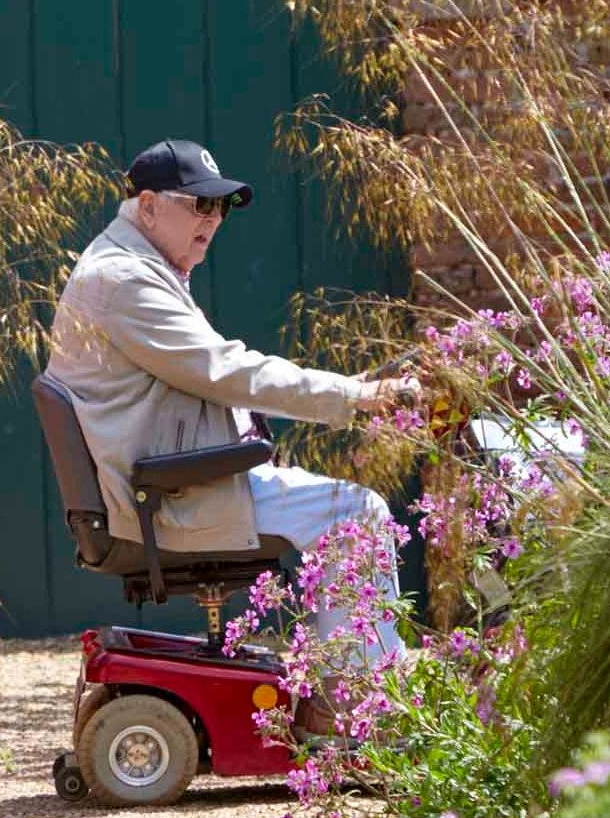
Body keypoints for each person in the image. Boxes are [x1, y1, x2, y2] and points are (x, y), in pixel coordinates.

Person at [45, 139, 422, 664]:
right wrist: (354, 396)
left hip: (166, 482)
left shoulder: (130, 262)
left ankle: (342, 682)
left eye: (221, 206)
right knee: (357, 513)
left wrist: (349, 389)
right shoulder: (125, 279)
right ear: (148, 206)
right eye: (200, 204)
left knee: (342, 508)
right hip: (167, 495)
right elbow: (226, 371)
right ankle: (360, 697)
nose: (215, 218)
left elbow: (213, 374)